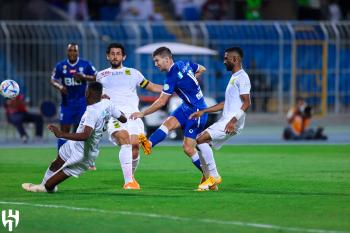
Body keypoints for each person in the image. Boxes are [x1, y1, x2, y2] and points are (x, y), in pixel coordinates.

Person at [21, 82, 127, 193]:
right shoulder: (107, 104)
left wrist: (61, 134)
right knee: (56, 163)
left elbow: (85, 135)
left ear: (87, 93)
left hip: (84, 153)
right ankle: (41, 185)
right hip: (74, 144)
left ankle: (45, 187)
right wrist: (111, 109)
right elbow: (124, 119)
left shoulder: (92, 112)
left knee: (50, 186)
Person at [130, 46, 208, 188]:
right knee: (168, 123)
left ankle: (210, 176)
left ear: (166, 59)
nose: (156, 64)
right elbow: (202, 68)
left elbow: (161, 102)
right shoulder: (183, 63)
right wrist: (192, 81)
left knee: (188, 148)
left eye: (157, 60)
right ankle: (149, 144)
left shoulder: (171, 76)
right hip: (187, 107)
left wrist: (142, 113)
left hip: (197, 112)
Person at [94, 43, 163, 189]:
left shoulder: (133, 73)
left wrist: (171, 88)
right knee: (125, 140)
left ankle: (131, 177)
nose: (115, 56)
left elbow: (151, 86)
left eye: (118, 53)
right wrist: (100, 98)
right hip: (115, 115)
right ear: (107, 56)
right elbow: (93, 95)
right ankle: (128, 182)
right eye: (112, 53)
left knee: (135, 147)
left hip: (134, 115)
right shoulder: (100, 75)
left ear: (123, 56)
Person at [189, 47, 251, 191]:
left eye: (226, 58)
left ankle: (214, 177)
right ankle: (210, 182)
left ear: (235, 59)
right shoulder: (234, 77)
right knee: (202, 144)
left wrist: (233, 121)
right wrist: (204, 111)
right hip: (227, 119)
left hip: (232, 121)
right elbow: (226, 104)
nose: (224, 62)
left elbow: (247, 102)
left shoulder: (242, 77)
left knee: (200, 139)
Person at [51, 43, 97, 151]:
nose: (72, 53)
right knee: (64, 131)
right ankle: (61, 158)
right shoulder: (61, 66)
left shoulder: (85, 65)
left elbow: (96, 76)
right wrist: (59, 86)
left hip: (82, 104)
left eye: (74, 50)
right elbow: (53, 79)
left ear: (78, 52)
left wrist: (84, 77)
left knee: (83, 132)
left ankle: (86, 158)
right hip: (67, 104)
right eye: (70, 50)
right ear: (67, 52)